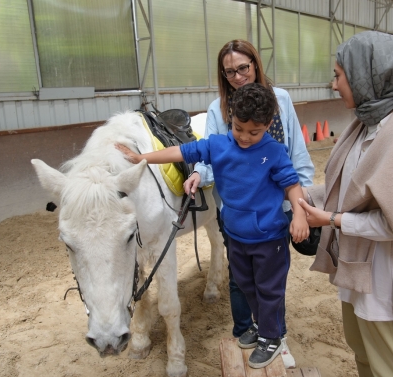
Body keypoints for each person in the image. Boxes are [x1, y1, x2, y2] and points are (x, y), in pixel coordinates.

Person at [116, 83, 309, 369]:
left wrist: (301, 215)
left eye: (254, 132)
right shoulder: (218, 145)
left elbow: (292, 184)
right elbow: (180, 152)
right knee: (246, 285)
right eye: (239, 128)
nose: (244, 137)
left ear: (268, 124)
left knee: (269, 289)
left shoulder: (275, 151)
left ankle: (273, 336)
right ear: (231, 118)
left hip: (269, 238)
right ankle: (261, 326)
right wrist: (142, 158)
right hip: (236, 236)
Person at [297, 31, 393, 377]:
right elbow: (350, 189)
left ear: (366, 76)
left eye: (339, 75)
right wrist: (303, 195)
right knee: (365, 360)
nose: (333, 84)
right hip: (358, 273)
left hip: (385, 284)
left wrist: (334, 221)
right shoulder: (365, 125)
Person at [182, 39, 315, 368]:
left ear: (255, 64)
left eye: (243, 67)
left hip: (275, 209)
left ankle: (276, 338)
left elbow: (295, 150)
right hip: (236, 213)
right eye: (230, 72)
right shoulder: (217, 109)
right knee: (241, 279)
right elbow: (210, 151)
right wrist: (199, 173)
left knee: (269, 280)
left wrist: (301, 203)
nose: (238, 76)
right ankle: (247, 329)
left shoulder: (280, 100)